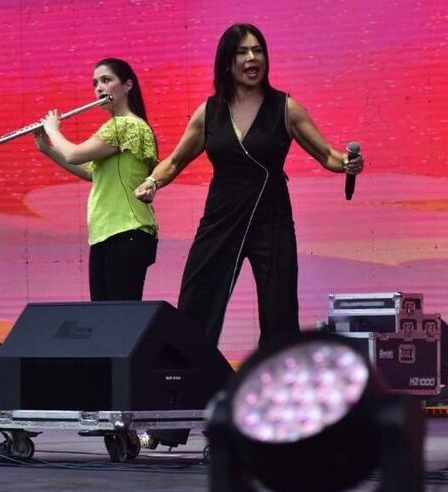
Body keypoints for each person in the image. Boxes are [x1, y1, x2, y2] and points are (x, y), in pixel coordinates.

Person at [135, 23, 364, 349]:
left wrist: (347, 163)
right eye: (242, 52)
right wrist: (153, 181)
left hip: (272, 219)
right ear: (227, 62)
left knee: (279, 308)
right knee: (198, 296)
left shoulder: (285, 107)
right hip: (221, 216)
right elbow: (173, 161)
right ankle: (189, 379)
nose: (252, 57)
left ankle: (279, 383)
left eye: (257, 50)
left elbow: (327, 155)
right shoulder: (209, 112)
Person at [35, 57, 158, 301]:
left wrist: (54, 130)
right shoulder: (115, 127)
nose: (99, 88)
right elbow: (90, 171)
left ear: (127, 86)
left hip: (127, 230)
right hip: (107, 232)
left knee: (120, 320)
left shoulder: (127, 126)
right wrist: (47, 148)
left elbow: (73, 154)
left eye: (106, 80)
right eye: (95, 83)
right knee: (103, 320)